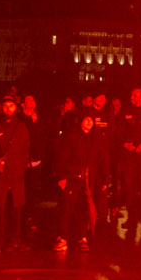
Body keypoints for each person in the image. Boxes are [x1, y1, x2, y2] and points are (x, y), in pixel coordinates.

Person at [53, 107, 104, 252]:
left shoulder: (95, 138)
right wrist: (61, 177)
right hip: (71, 178)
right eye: (86, 119)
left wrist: (104, 178)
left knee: (83, 210)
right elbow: (61, 158)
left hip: (87, 180)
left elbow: (100, 159)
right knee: (66, 209)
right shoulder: (71, 136)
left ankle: (82, 238)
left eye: (91, 120)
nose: (89, 122)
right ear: (81, 120)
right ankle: (62, 238)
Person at [0, 93, 31, 249]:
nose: (8, 109)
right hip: (0, 171)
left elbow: (26, 149)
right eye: (5, 106)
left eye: (11, 106)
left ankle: (14, 239)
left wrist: (22, 167)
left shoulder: (21, 126)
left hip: (16, 172)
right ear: (1, 108)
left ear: (15, 108)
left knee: (16, 207)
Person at [114, 86, 141, 243]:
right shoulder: (125, 112)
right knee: (129, 188)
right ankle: (132, 219)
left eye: (135, 95)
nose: (132, 97)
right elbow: (118, 131)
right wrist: (124, 144)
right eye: (131, 94)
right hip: (129, 155)